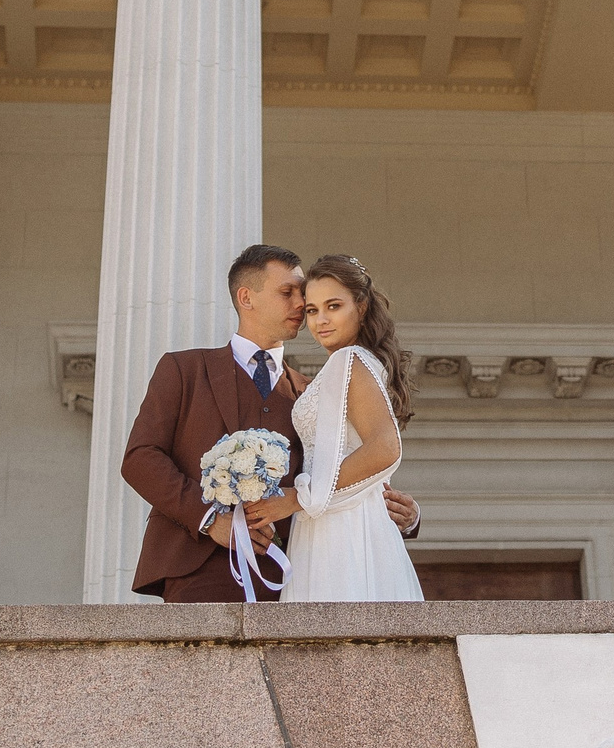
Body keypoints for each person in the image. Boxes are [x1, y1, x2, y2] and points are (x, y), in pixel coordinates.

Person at [119, 244, 421, 602]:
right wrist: (211, 521)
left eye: (304, 296)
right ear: (246, 297)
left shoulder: (314, 390)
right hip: (196, 567)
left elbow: (362, 456)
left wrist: (405, 515)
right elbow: (140, 458)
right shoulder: (184, 370)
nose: (300, 304)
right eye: (288, 292)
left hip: (292, 572)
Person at [248, 253, 425, 602]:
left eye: (333, 306)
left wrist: (297, 497)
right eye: (312, 310)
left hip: (341, 524)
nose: (321, 320)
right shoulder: (350, 364)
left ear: (360, 307)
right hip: (332, 516)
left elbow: (385, 449)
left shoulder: (350, 359)